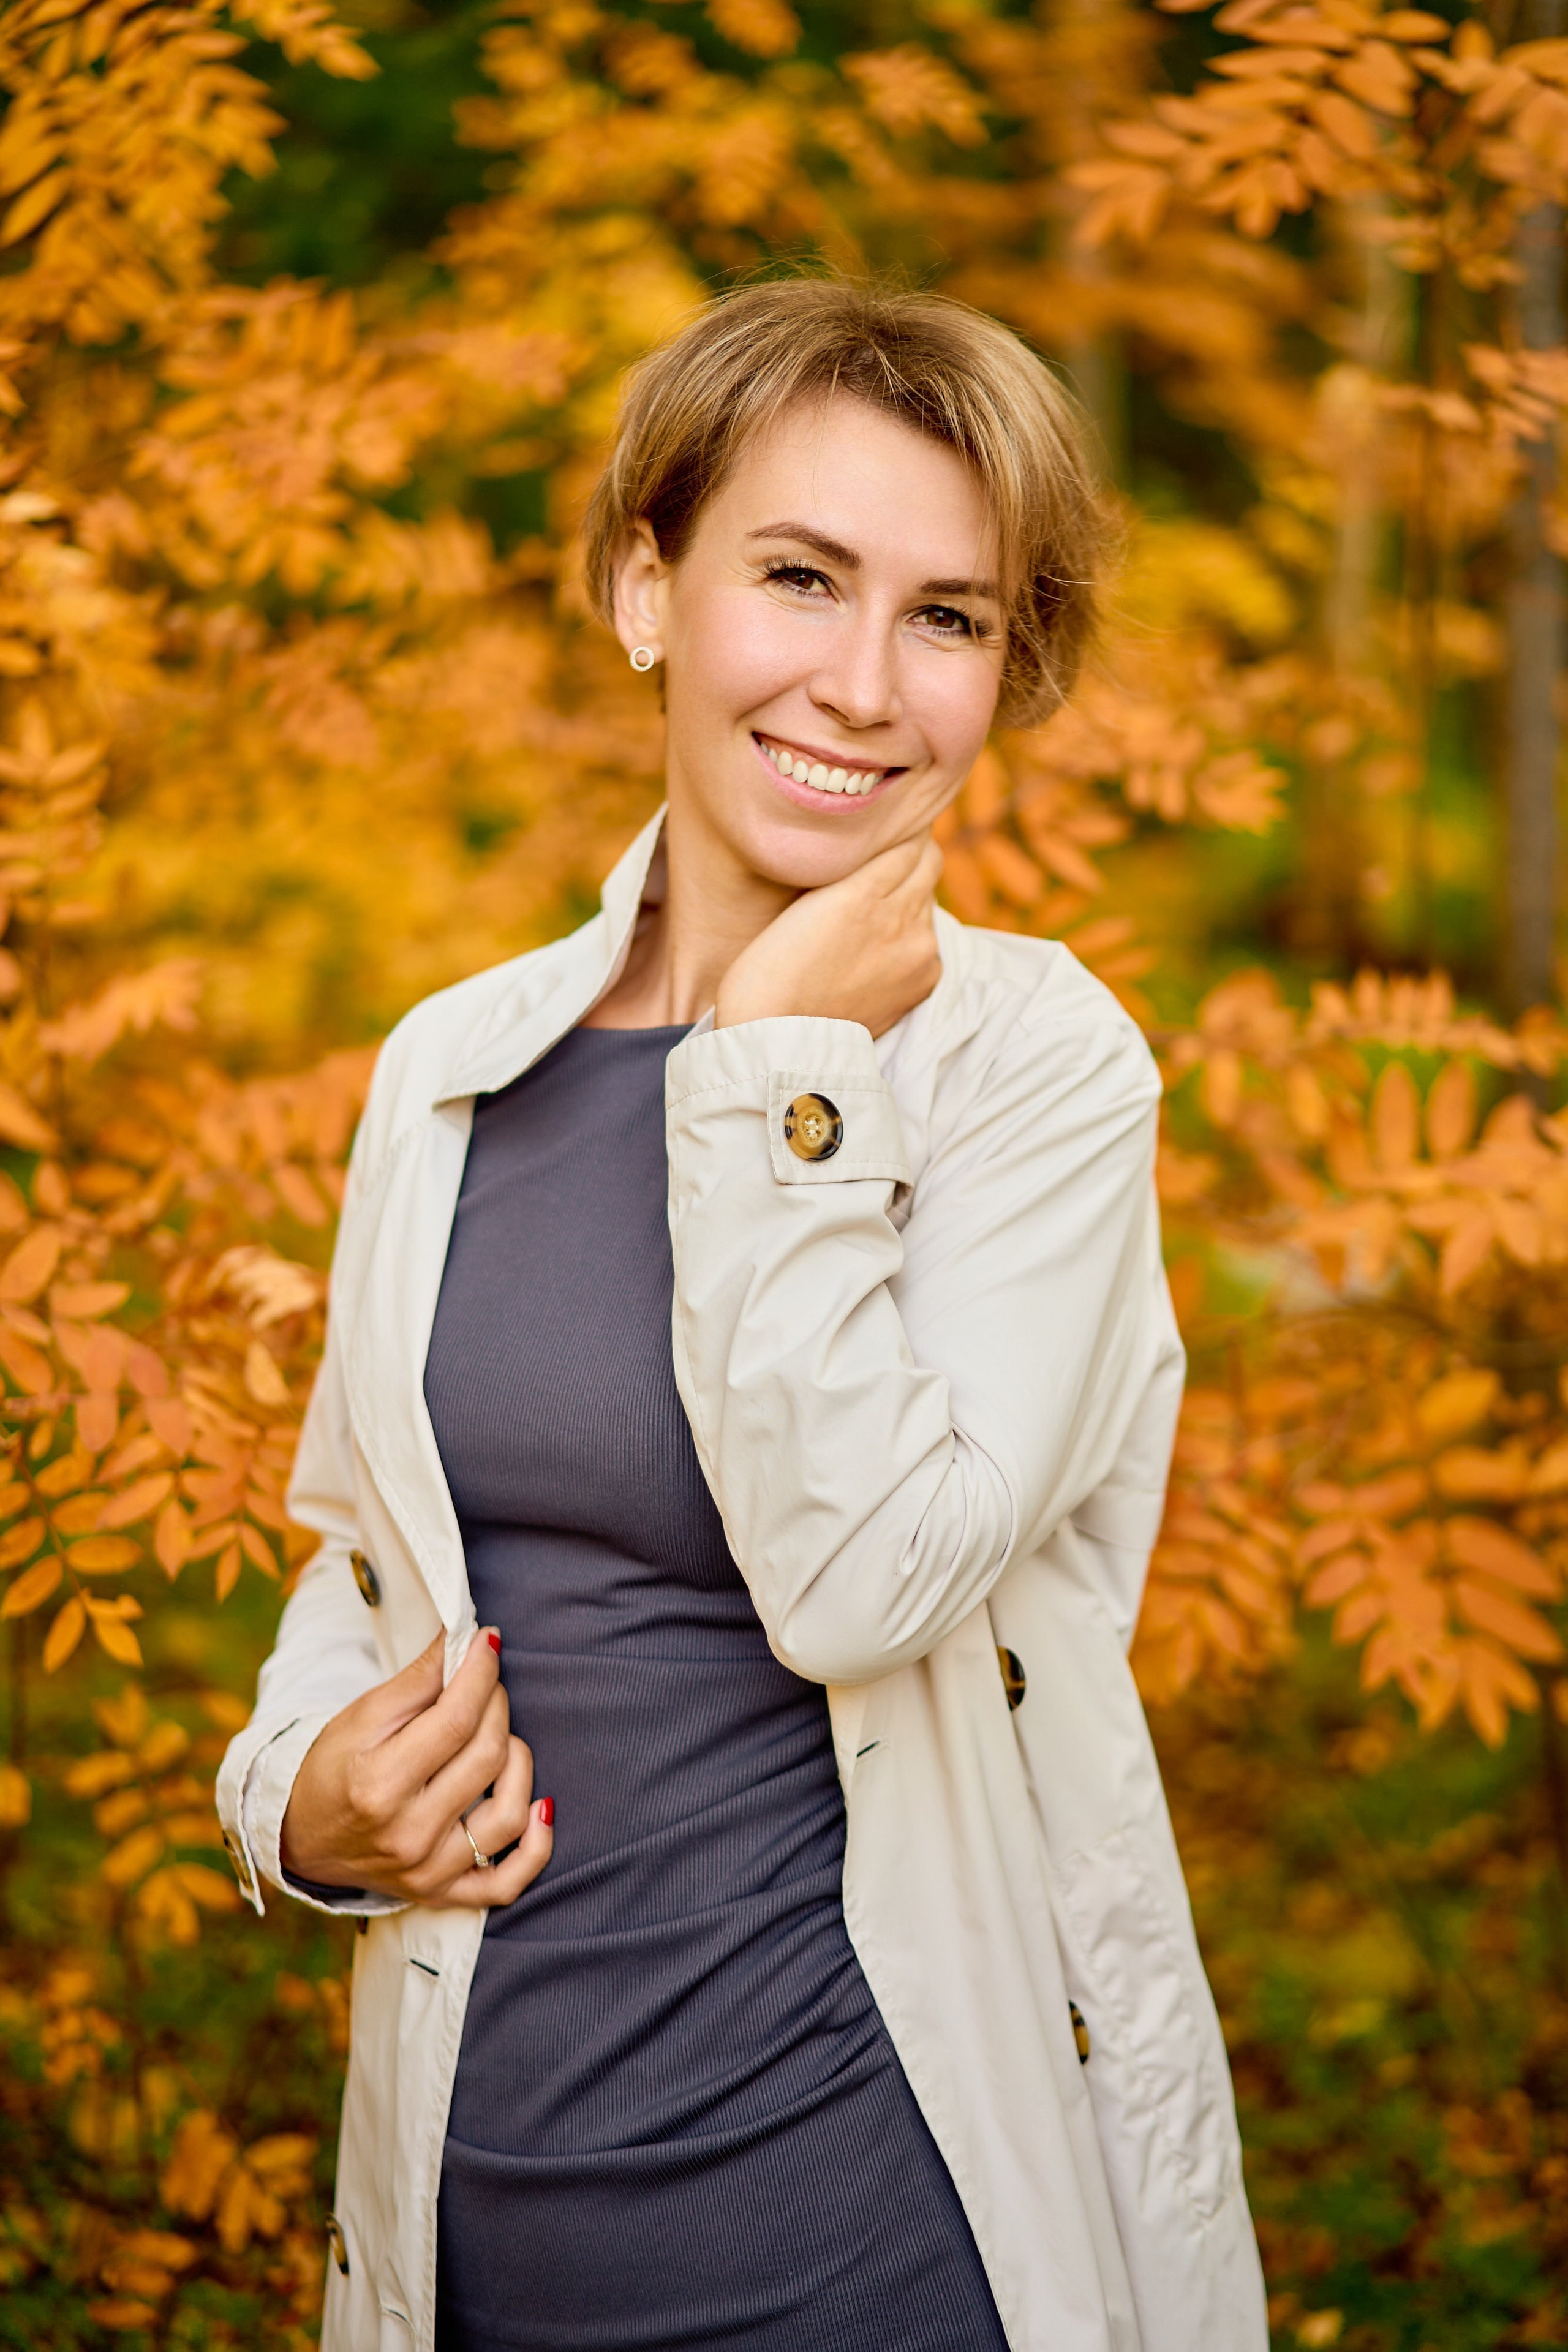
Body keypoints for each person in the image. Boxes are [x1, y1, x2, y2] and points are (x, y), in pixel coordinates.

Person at [217, 276, 1267, 2352]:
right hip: (473, 2231)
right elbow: (362, 1556)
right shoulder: (456, 1065)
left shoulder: (1036, 1067)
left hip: (870, 2243)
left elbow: (865, 1579)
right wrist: (293, 1806)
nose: (865, 685)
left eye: (949, 616)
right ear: (645, 588)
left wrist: (776, 1074)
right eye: (801, 577)